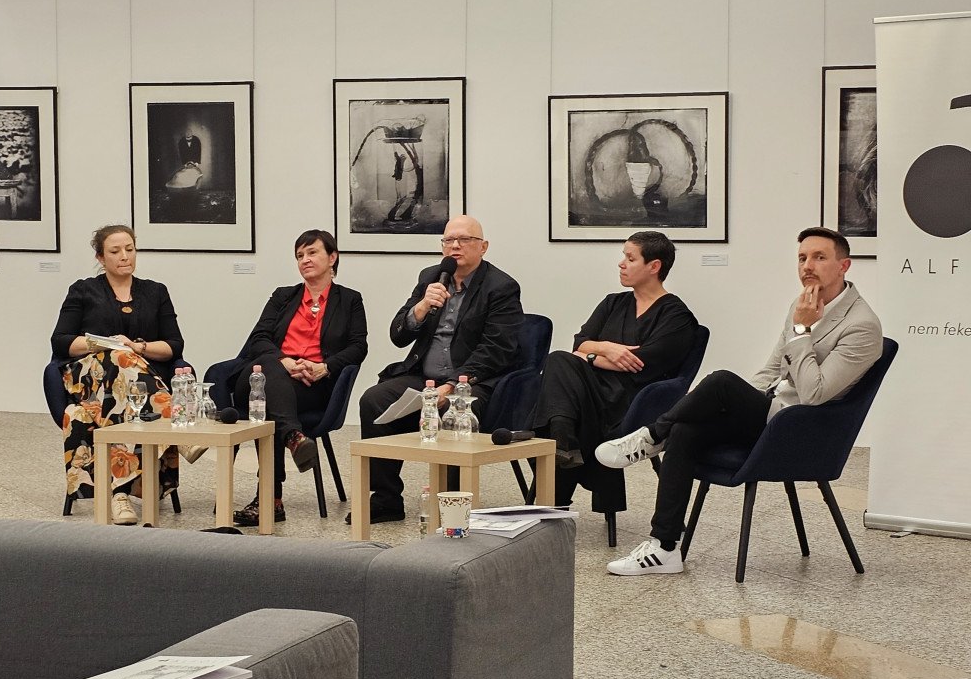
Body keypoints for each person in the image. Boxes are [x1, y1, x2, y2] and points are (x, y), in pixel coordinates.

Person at [596, 227, 882, 576]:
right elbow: (772, 370)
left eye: (819, 257)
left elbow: (814, 394)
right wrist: (729, 401)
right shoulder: (803, 306)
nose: (807, 266)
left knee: (720, 381)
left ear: (844, 265)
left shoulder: (861, 325)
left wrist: (802, 331)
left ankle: (652, 435)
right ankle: (664, 548)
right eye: (802, 258)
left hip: (802, 430)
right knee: (687, 428)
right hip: (770, 414)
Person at [353, 215, 524, 524]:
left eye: (465, 239)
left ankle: (453, 502)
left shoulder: (501, 287)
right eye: (448, 240)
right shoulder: (431, 277)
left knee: (455, 409)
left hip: (473, 382)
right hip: (424, 377)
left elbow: (496, 350)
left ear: (483, 246)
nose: (455, 246)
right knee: (374, 400)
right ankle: (386, 499)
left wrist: (452, 386)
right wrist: (420, 308)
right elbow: (398, 336)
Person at [531, 231, 698, 512]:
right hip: (590, 394)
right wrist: (607, 348)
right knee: (559, 359)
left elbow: (640, 363)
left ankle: (562, 447)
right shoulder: (613, 302)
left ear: (654, 266)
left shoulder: (676, 316)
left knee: (558, 381)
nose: (621, 264)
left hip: (629, 401)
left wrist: (590, 356)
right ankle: (563, 439)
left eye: (630, 258)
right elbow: (579, 343)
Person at [219, 229, 368, 527]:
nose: (305, 260)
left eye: (312, 252)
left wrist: (324, 367)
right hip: (261, 379)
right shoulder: (283, 296)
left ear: (332, 257)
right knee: (268, 370)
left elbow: (358, 347)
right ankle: (293, 437)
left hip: (311, 384)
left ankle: (271, 500)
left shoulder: (350, 300)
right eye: (300, 255)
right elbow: (259, 338)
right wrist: (285, 363)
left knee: (269, 405)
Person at [51, 224, 185, 525]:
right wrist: (105, 345)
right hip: (90, 377)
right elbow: (60, 341)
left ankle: (119, 495)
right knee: (118, 356)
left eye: (130, 249)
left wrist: (137, 347)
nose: (125, 256)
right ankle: (173, 421)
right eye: (115, 251)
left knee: (126, 390)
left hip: (136, 386)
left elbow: (174, 345)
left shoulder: (156, 291)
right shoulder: (82, 290)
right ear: (100, 257)